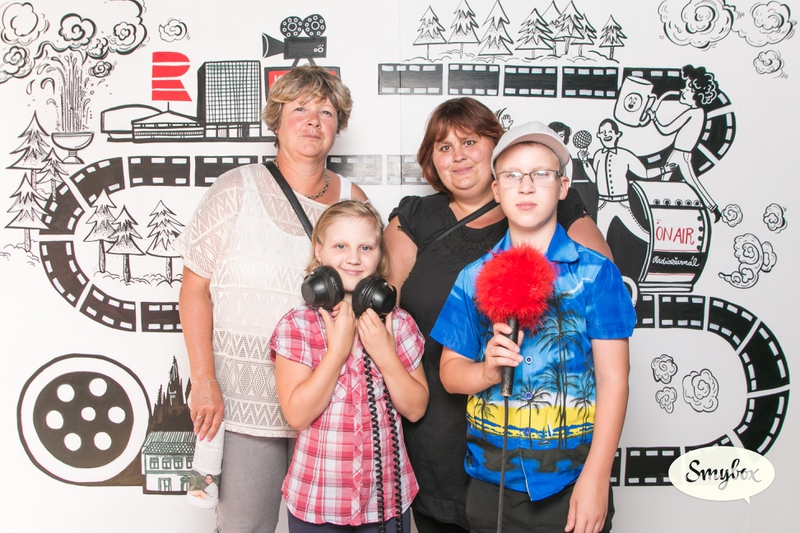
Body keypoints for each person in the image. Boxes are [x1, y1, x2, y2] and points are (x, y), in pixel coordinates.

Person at [384, 98, 611, 533]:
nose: (458, 156)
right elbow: (386, 307)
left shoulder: (551, 209)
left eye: (470, 142)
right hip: (441, 431)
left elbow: (597, 299)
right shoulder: (428, 228)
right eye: (444, 147)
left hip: (551, 450)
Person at [175, 65, 367, 533]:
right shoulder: (234, 188)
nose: (313, 120)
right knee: (244, 525)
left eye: (326, 111)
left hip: (326, 398)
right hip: (243, 400)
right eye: (299, 108)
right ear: (276, 120)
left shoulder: (352, 199)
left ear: (338, 126)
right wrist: (203, 380)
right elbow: (194, 288)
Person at [433, 121, 636, 533]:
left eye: (541, 174)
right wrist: (487, 371)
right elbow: (451, 375)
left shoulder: (596, 274)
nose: (525, 187)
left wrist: (596, 479)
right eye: (512, 176)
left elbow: (614, 379)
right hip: (491, 486)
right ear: (496, 190)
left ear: (563, 186)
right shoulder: (472, 277)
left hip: (573, 483)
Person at [270, 200, 428, 532]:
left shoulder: (398, 324)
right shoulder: (298, 325)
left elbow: (415, 409)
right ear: (319, 250)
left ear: (379, 255)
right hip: (318, 499)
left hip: (385, 502)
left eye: (365, 247)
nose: (354, 258)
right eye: (340, 246)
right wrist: (338, 350)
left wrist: (384, 353)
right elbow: (297, 415)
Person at [579, 118, 674, 242]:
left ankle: (657, 245)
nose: (606, 135)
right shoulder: (598, 155)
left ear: (617, 134)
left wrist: (663, 169)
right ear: (599, 135)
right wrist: (585, 162)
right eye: (603, 132)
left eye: (610, 132)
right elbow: (594, 178)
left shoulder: (625, 155)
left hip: (622, 202)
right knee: (600, 239)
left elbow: (644, 173)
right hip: (603, 204)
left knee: (641, 232)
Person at [649, 64, 722, 222]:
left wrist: (654, 117)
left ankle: (662, 213)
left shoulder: (693, 113)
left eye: (687, 88)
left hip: (681, 154)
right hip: (680, 153)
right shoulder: (699, 113)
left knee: (675, 182)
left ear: (696, 93)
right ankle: (712, 208)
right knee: (672, 182)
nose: (682, 90)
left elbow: (666, 129)